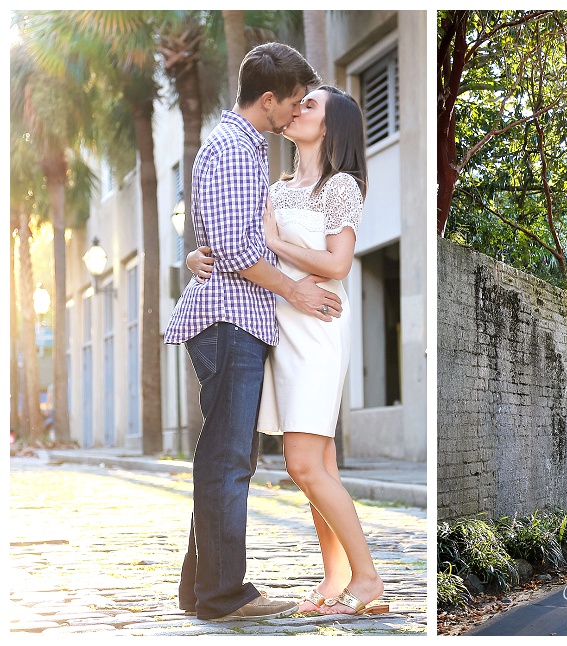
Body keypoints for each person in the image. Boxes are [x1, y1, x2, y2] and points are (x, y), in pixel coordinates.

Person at [188, 85, 388, 616]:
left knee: (302, 462)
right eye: (299, 102)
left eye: (311, 105)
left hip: (318, 328)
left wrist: (274, 244)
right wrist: (195, 255)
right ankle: (335, 576)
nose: (299, 109)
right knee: (321, 464)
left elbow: (339, 264)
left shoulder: (340, 185)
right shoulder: (275, 185)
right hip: (279, 330)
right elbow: (233, 238)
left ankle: (368, 581)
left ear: (332, 126)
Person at [164, 42, 340, 622]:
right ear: (268, 100)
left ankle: (202, 590)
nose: (295, 113)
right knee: (228, 461)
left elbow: (220, 238)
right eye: (292, 103)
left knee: (224, 457)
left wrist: (200, 255)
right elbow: (239, 248)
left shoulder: (236, 146)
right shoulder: (235, 149)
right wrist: (295, 290)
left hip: (237, 320)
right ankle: (224, 594)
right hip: (229, 321)